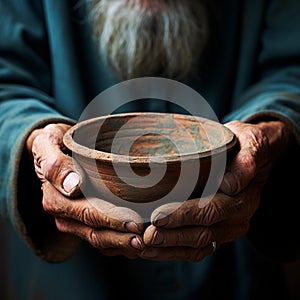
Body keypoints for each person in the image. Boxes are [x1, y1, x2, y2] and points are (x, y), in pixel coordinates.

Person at [0, 0, 299, 299]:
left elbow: (292, 71)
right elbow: (6, 82)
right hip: (67, 283)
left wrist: (270, 131)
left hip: (237, 277)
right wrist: (34, 139)